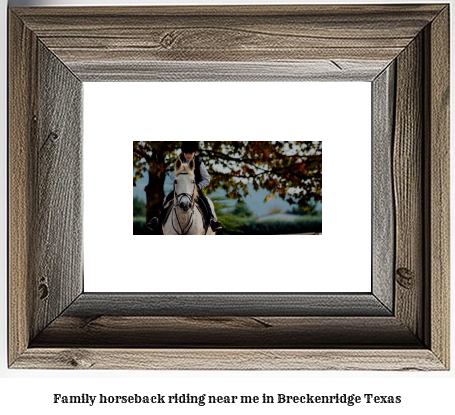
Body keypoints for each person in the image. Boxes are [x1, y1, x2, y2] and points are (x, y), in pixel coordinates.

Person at [146, 141, 222, 232]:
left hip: (195, 189)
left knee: (205, 202)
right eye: (186, 153)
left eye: (190, 153)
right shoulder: (179, 161)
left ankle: (212, 220)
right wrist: (178, 178)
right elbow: (172, 175)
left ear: (195, 152)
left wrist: (196, 187)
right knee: (166, 200)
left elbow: (207, 179)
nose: (188, 155)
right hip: (180, 189)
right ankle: (157, 219)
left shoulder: (199, 162)